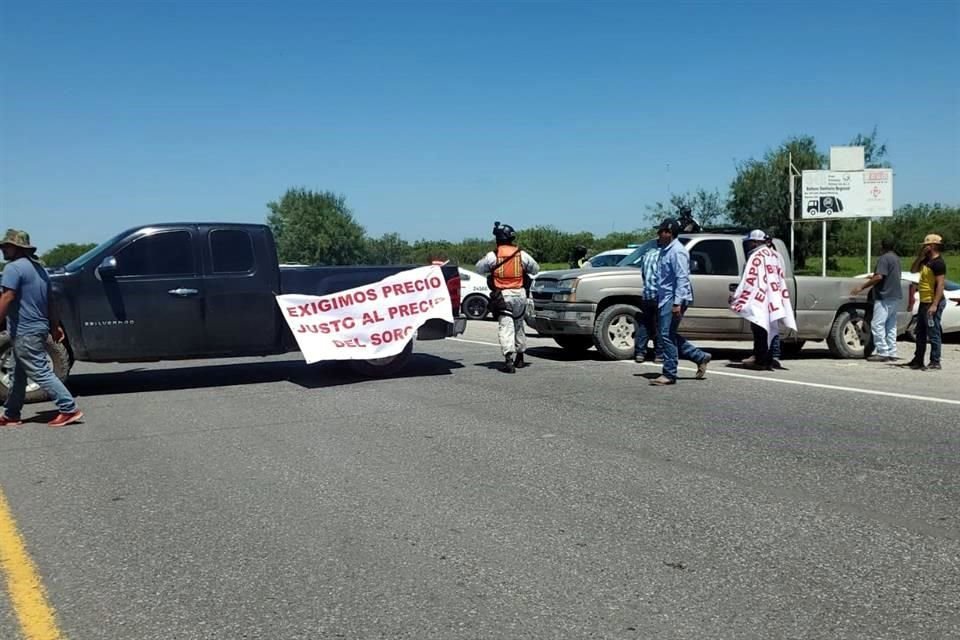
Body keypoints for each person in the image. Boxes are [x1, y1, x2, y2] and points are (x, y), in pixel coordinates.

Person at [0, 229, 84, 427]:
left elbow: (7, 296)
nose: (3, 250)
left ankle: (69, 408)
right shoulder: (40, 270)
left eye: (7, 246)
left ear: (18, 248)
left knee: (39, 371)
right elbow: (51, 301)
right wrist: (55, 325)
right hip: (37, 327)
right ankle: (12, 414)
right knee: (17, 374)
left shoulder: (13, 268)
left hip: (24, 331)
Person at [650, 218, 711, 386]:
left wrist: (677, 303)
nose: (658, 234)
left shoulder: (678, 251)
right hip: (666, 297)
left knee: (666, 335)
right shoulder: (666, 250)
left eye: (661, 231)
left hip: (673, 298)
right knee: (667, 333)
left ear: (669, 233)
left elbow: (682, 278)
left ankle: (669, 373)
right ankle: (699, 356)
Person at [475, 222, 540, 373]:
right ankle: (520, 357)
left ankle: (509, 360)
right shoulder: (521, 254)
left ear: (498, 238)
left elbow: (479, 268)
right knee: (519, 325)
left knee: (506, 327)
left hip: (503, 295)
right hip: (520, 294)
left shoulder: (493, 255)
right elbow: (535, 269)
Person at [851, 238, 902, 362]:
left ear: (882, 246)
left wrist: (861, 287)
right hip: (895, 295)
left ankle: (882, 352)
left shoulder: (884, 258)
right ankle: (892, 352)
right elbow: (886, 274)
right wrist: (874, 276)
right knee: (890, 325)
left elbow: (879, 276)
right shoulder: (896, 258)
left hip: (884, 295)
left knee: (877, 324)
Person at [905, 234, 948, 371]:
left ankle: (935, 361)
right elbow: (913, 270)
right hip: (924, 301)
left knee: (933, 331)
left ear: (933, 246)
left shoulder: (938, 263)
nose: (924, 247)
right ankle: (918, 359)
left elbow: (940, 284)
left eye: (926, 245)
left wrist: (935, 304)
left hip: (933, 301)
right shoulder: (925, 261)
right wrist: (920, 256)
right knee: (920, 332)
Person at [633, 242, 663, 364]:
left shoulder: (647, 254)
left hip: (647, 294)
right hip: (660, 294)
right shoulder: (664, 255)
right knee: (660, 325)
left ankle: (640, 352)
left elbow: (644, 275)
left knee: (645, 324)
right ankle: (659, 354)